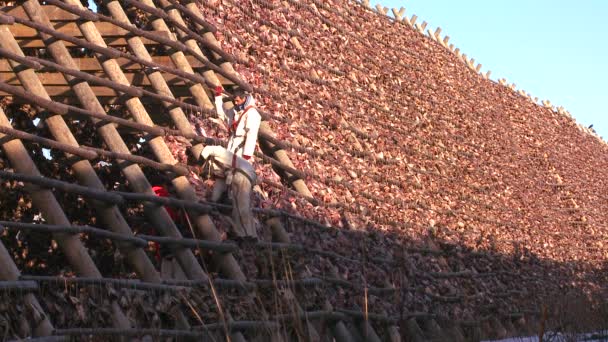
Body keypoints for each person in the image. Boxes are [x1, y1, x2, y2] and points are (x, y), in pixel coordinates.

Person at [201, 85, 261, 241]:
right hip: (232, 149)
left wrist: (246, 159)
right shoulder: (236, 111)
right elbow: (222, 116)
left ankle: (245, 232)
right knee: (223, 175)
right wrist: (218, 98)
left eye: (237, 100)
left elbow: (251, 136)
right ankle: (215, 201)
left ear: (243, 98)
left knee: (238, 192)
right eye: (234, 101)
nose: (235, 103)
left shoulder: (252, 114)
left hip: (240, 155)